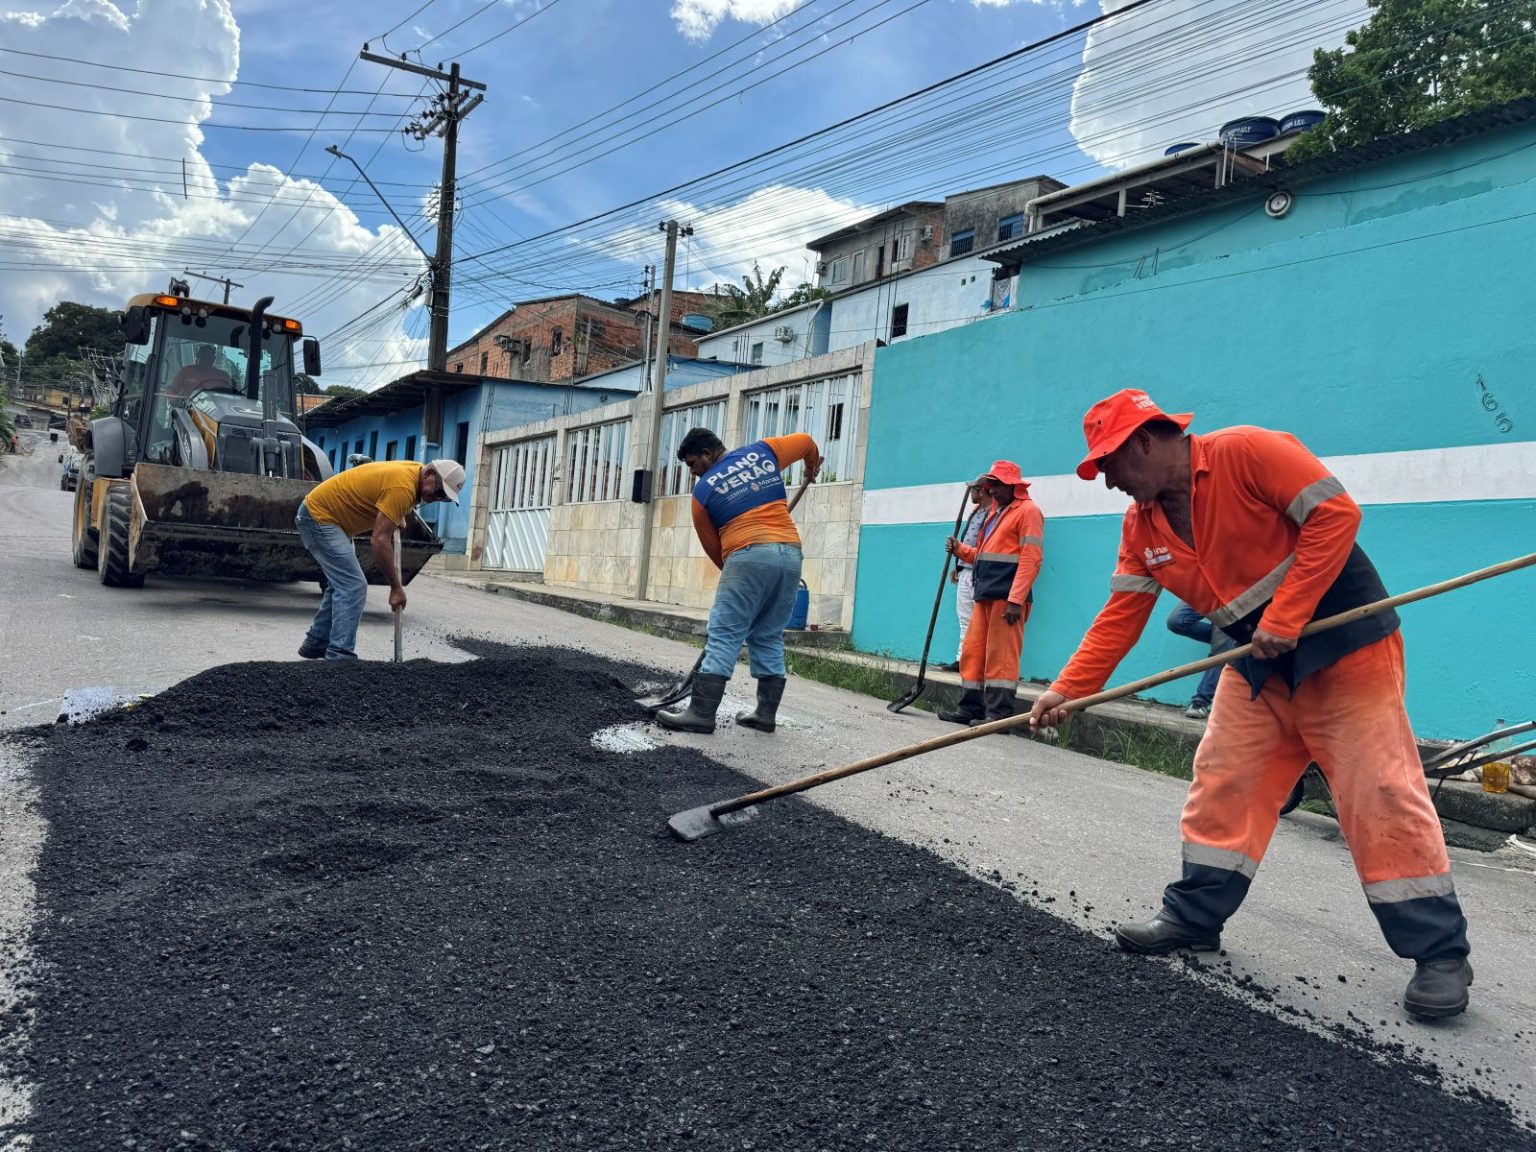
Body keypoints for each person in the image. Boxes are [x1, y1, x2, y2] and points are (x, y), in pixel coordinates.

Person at [1028, 389, 1472, 1019]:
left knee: (1381, 795)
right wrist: (1068, 690)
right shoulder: (1142, 527)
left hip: (1344, 650)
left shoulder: (1249, 452)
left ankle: (1441, 955)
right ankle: (1193, 920)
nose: (1108, 483)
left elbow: (1337, 516)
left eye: (1110, 466)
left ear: (1144, 442)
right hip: (1259, 667)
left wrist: (1288, 615)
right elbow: (1119, 617)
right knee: (1223, 782)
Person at [658, 426, 821, 734]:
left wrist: (742, 585)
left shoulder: (703, 492)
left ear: (707, 454)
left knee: (724, 633)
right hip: (790, 554)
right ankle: (765, 714)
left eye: (693, 464)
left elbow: (717, 552)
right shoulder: (763, 452)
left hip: (746, 554)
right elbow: (807, 443)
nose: (693, 472)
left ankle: (701, 714)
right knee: (769, 634)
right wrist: (811, 469)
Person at [295, 458, 464, 660]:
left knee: (341, 585)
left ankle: (316, 643)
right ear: (429, 474)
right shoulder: (402, 486)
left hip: (333, 520)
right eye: (439, 492)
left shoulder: (413, 472)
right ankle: (340, 656)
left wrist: (399, 511)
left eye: (444, 498)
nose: (437, 498)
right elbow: (379, 540)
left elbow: (386, 491)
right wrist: (396, 587)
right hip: (319, 517)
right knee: (353, 586)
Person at [936, 460, 1044, 726]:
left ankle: (998, 716)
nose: (991, 490)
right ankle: (971, 709)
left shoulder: (1028, 511)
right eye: (990, 486)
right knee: (973, 653)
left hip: (1007, 599)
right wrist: (961, 550)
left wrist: (1016, 600)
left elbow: (1031, 558)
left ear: (1011, 486)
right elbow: (983, 554)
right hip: (985, 594)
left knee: (1001, 658)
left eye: (995, 486)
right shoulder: (997, 513)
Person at [937, 477, 989, 673]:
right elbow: (968, 541)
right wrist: (958, 566)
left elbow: (982, 547)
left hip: (980, 574)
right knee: (964, 618)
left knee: (979, 620)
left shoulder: (992, 515)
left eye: (973, 490)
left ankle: (977, 662)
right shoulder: (976, 512)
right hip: (966, 570)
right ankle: (962, 659)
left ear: (981, 491)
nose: (970, 494)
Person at [1165, 603, 1236, 719]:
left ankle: (1200, 703)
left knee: (1223, 645)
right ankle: (1234, 639)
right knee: (1176, 621)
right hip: (1214, 588)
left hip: (1240, 597)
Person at [166, 345, 231, 399]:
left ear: (213, 359)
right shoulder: (186, 371)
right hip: (188, 409)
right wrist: (174, 400)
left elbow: (229, 396)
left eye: (208, 357)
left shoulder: (223, 376)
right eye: (203, 356)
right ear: (198, 357)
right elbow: (171, 389)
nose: (205, 359)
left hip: (216, 412)